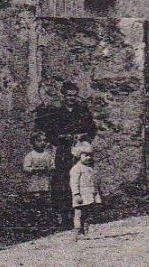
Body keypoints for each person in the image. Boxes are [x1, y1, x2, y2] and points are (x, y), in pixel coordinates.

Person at [34, 81, 98, 225]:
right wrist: (62, 137)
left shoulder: (82, 110)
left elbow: (92, 129)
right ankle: (64, 214)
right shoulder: (56, 112)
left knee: (84, 179)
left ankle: (85, 212)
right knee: (62, 181)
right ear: (63, 96)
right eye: (69, 96)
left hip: (80, 150)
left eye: (74, 96)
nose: (72, 98)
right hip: (64, 151)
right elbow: (49, 132)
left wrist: (83, 137)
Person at [22, 130, 57, 224]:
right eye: (39, 141)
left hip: (45, 181)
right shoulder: (30, 155)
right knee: (35, 200)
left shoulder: (47, 155)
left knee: (45, 201)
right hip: (34, 182)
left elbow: (52, 165)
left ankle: (45, 220)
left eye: (44, 141)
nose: (42, 143)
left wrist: (50, 169)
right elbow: (26, 168)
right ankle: (33, 220)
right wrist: (33, 169)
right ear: (33, 142)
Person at [69, 140, 101, 238]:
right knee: (78, 213)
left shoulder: (90, 169)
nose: (88, 158)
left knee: (88, 213)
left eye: (90, 155)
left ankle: (86, 231)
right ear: (79, 156)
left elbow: (93, 182)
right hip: (81, 194)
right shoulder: (76, 169)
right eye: (85, 155)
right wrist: (76, 194)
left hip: (90, 194)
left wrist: (95, 192)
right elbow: (74, 183)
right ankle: (77, 231)